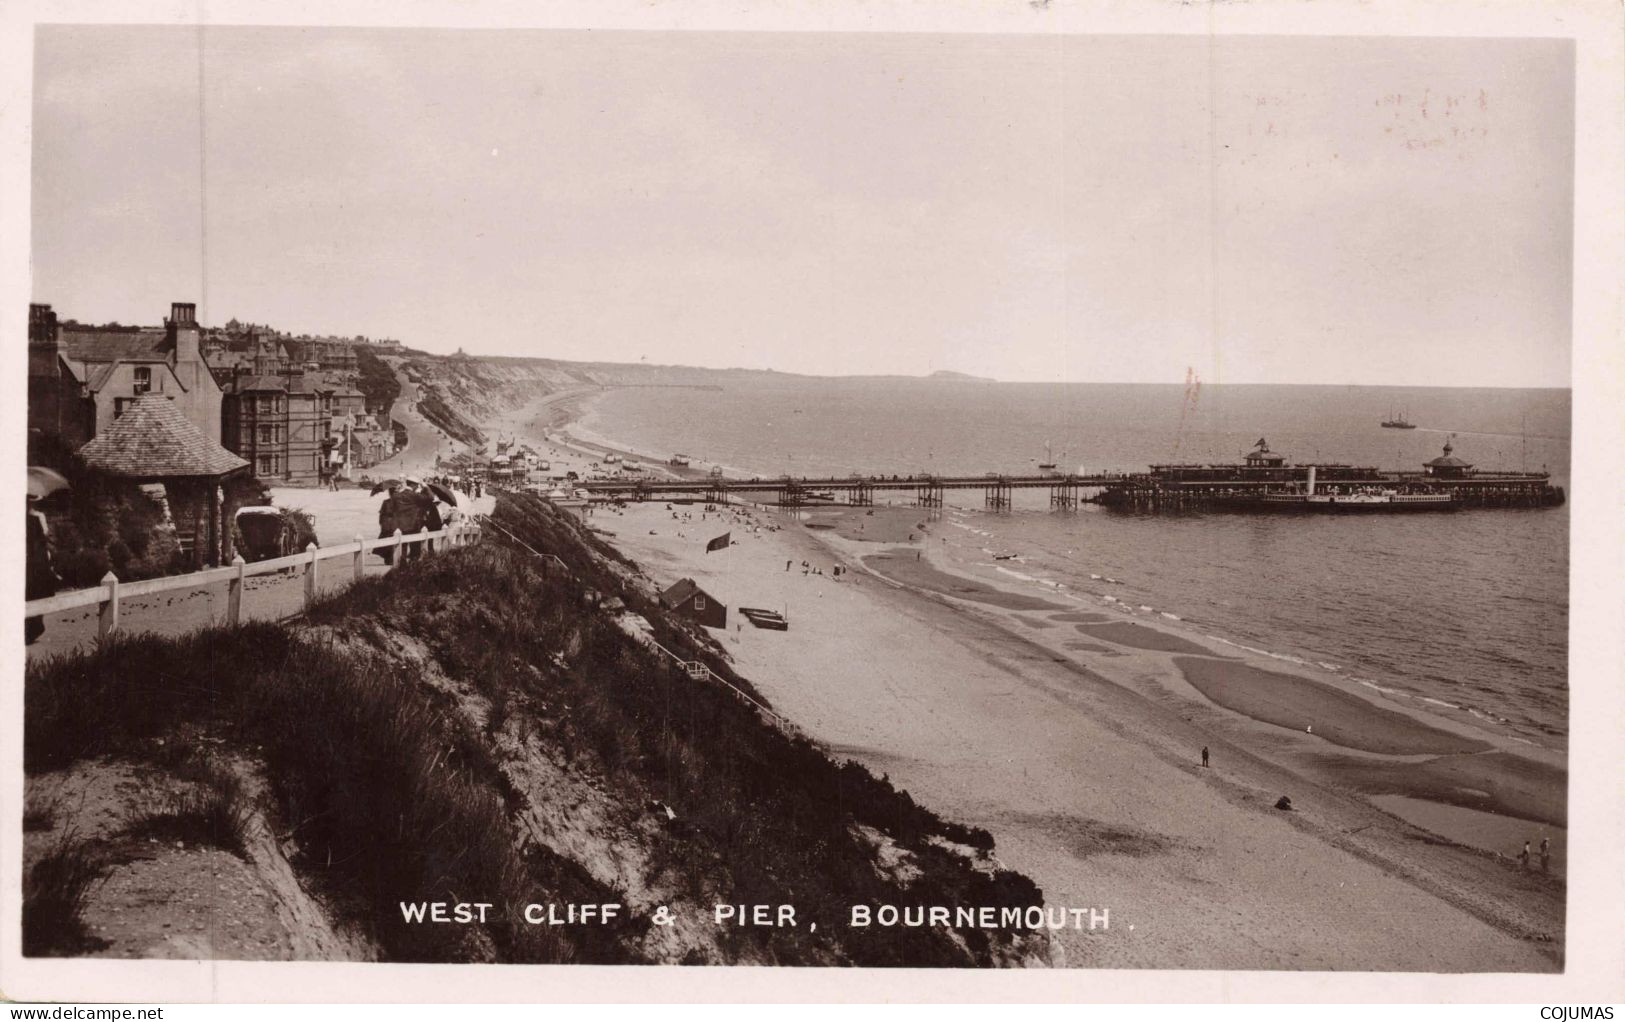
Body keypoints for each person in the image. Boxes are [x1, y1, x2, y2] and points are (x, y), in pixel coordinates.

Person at [25, 500, 58, 644]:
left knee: (34, 591)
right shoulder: (35, 518)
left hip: (34, 559)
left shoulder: (36, 517)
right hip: (31, 559)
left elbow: (42, 540)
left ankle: (33, 626)